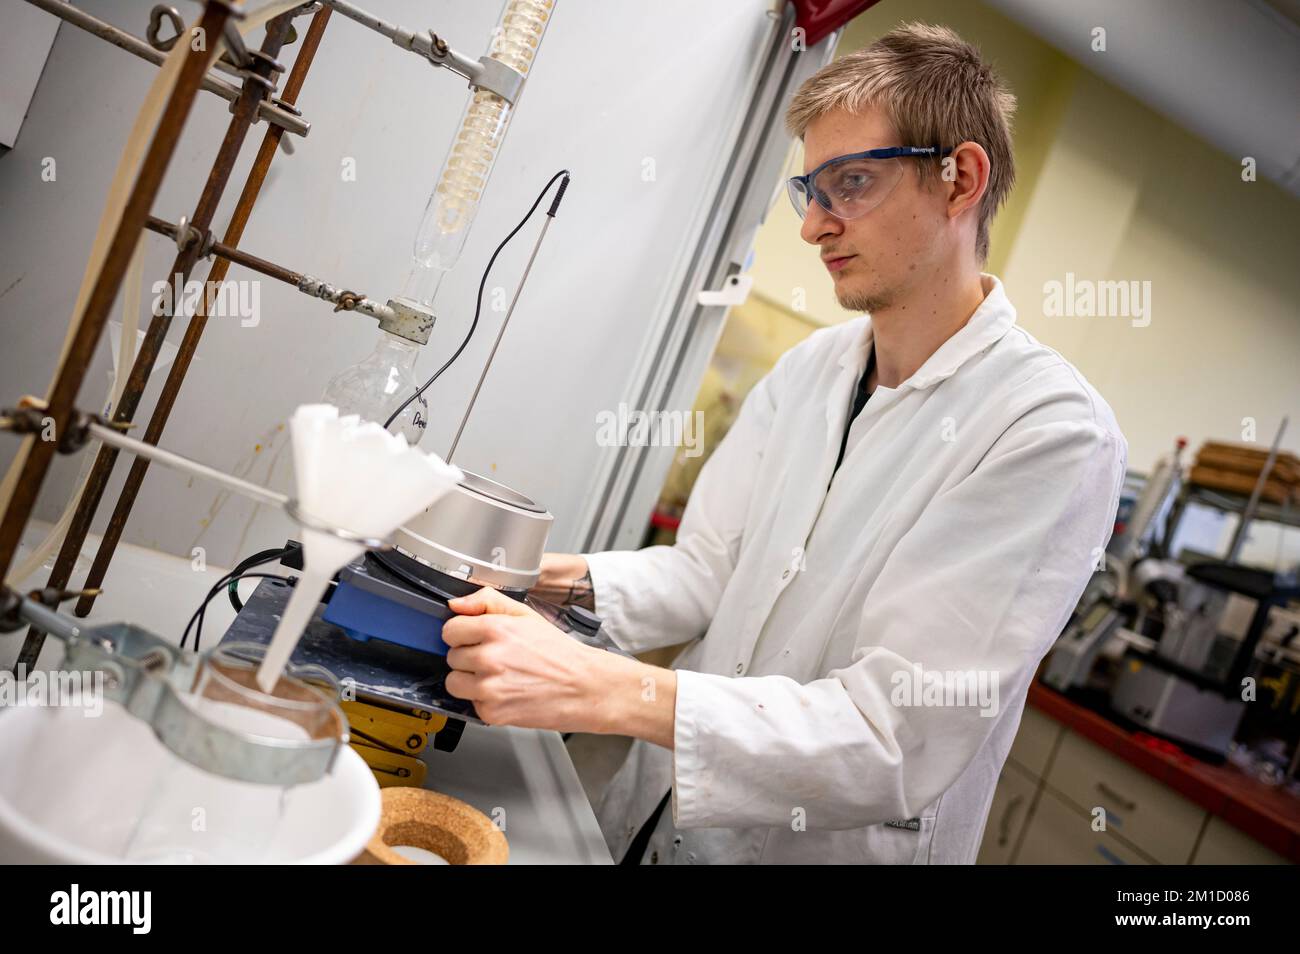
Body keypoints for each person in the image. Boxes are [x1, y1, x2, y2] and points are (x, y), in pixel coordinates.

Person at [442, 22, 1127, 864]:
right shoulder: (815, 367)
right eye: (813, 190)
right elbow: (706, 574)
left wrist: (598, 686)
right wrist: (523, 580)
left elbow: (891, 733)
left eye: (853, 184)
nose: (813, 226)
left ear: (961, 179)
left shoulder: (1050, 431)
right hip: (655, 822)